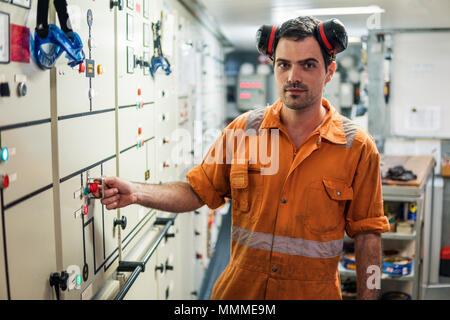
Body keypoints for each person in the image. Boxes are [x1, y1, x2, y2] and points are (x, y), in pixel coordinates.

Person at [98, 16, 390, 300]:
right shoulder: (244, 130)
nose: (293, 76)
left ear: (329, 71)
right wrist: (137, 192)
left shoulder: (357, 147)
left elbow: (368, 237)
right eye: (283, 64)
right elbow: (197, 191)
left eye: (308, 65)